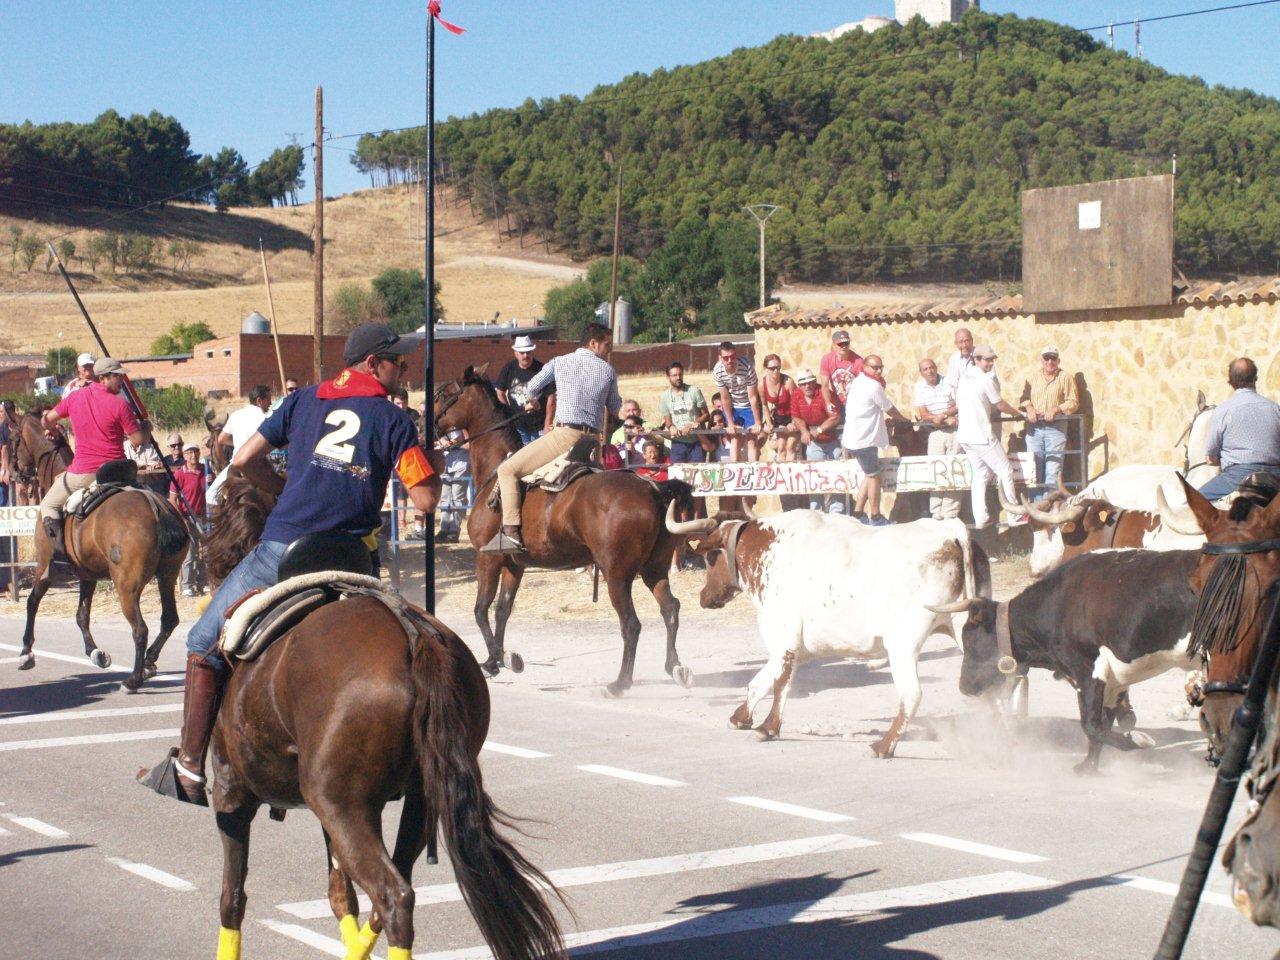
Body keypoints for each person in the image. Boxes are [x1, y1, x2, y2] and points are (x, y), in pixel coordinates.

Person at [140, 322, 441, 805]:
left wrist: (278, 490)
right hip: (354, 559)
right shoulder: (394, 420)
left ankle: (190, 766)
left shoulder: (302, 401)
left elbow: (242, 459)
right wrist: (431, 465)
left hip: (284, 551)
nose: (404, 367)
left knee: (202, 641)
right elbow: (425, 501)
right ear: (372, 365)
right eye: (397, 361)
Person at [487, 322, 621, 554]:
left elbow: (533, 387)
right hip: (592, 445)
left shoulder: (560, 362)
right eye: (607, 345)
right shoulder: (608, 371)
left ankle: (510, 533)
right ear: (593, 343)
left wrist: (534, 401)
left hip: (564, 437)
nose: (608, 350)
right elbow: (616, 406)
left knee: (507, 470)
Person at [38, 357, 149, 558]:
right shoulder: (120, 404)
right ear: (103, 378)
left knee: (48, 505)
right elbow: (138, 439)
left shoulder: (73, 398)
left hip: (84, 473)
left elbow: (46, 421)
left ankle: (60, 556)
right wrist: (146, 428)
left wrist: (52, 427)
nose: (121, 381)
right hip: (118, 472)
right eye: (117, 377)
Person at [956, 344, 1023, 529]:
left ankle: (981, 518)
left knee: (981, 474)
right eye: (987, 359)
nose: (990, 363)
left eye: (992, 359)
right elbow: (999, 404)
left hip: (965, 436)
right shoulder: (985, 379)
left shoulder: (964, 378)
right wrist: (1019, 414)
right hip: (981, 435)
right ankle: (1014, 515)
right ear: (976, 360)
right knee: (1005, 470)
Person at [1197, 357, 1280, 501]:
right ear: (1255, 379)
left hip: (1237, 477)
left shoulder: (1222, 411)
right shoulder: (1275, 409)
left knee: (1193, 503)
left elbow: (1211, 458)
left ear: (1230, 383)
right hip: (1275, 478)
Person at [842, 356, 906, 525]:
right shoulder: (873, 386)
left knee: (869, 473)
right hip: (864, 440)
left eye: (881, 367)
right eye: (875, 367)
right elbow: (889, 408)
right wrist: (903, 419)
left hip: (854, 438)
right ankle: (876, 516)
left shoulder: (858, 381)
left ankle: (858, 512)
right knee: (874, 476)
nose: (878, 371)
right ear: (865, 367)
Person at [1019, 346, 1079, 496]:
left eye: (1053, 358)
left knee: (1053, 472)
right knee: (1034, 471)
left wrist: (1056, 409)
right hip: (1035, 429)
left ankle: (1050, 512)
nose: (1050, 361)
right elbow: (1023, 399)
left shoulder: (1066, 377)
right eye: (1046, 358)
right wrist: (1030, 408)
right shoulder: (1032, 377)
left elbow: (1073, 401)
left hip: (1056, 429)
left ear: (1058, 360)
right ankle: (1038, 511)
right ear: (1041, 360)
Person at [790, 368, 844, 514]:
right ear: (799, 385)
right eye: (803, 383)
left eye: (809, 382)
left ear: (814, 382)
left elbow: (836, 416)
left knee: (836, 476)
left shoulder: (825, 394)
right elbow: (796, 416)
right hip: (814, 443)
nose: (807, 386)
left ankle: (836, 513)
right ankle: (816, 512)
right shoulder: (796, 395)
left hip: (833, 440)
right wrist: (804, 430)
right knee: (814, 477)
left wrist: (818, 430)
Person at [208, 385, 273, 503]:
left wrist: (240, 443)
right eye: (268, 399)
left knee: (210, 497)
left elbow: (222, 439)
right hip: (259, 466)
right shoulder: (267, 418)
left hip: (236, 464)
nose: (270, 403)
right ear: (259, 401)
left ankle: (209, 522)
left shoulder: (236, 415)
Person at [913, 357, 961, 520]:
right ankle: (936, 513)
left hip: (954, 430)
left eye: (931, 367)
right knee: (936, 470)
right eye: (925, 369)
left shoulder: (949, 382)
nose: (930, 371)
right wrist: (940, 418)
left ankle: (950, 513)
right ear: (921, 373)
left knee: (954, 471)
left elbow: (958, 404)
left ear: (936, 367)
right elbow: (923, 413)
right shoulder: (919, 387)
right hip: (935, 432)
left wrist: (945, 415)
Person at [496, 335, 555, 446]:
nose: (526, 355)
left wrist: (548, 424)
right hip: (518, 427)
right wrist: (508, 414)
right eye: (522, 353)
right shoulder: (509, 368)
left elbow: (551, 398)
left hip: (539, 426)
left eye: (528, 352)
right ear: (516, 353)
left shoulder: (542, 370)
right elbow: (500, 392)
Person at [712, 341, 763, 462]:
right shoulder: (717, 371)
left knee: (752, 439)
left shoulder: (747, 366)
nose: (730, 360)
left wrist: (757, 422)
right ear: (720, 358)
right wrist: (730, 423)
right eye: (726, 358)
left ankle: (753, 471)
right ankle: (735, 470)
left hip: (749, 404)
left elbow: (753, 397)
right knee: (735, 437)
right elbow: (725, 398)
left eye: (732, 356)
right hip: (733, 405)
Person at [169, 442, 208, 596]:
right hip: (186, 517)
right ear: (184, 455)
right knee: (190, 553)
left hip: (204, 516)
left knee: (206, 551)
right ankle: (187, 585)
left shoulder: (206, 471)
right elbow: (172, 499)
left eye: (196, 452)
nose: (193, 456)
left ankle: (204, 582)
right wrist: (181, 519)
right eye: (190, 453)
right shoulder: (179, 474)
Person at [659, 361, 711, 465]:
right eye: (674, 375)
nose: (678, 377)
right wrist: (671, 427)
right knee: (678, 474)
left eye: (680, 374)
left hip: (696, 441)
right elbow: (667, 420)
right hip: (678, 443)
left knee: (696, 474)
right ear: (668, 377)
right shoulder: (664, 397)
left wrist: (692, 424)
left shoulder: (694, 391)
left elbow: (706, 415)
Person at [433, 429, 470, 543]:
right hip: (445, 463)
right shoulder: (441, 425)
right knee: (445, 498)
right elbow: (433, 440)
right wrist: (441, 441)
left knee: (457, 497)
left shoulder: (461, 426)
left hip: (461, 462)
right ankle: (444, 529)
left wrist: (456, 443)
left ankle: (454, 530)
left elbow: (469, 443)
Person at [759, 353, 798, 461]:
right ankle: (781, 475)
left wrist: (794, 422)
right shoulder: (762, 385)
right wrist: (769, 422)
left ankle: (791, 474)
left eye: (778, 368)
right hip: (779, 417)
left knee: (790, 446)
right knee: (781, 448)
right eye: (772, 368)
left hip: (793, 415)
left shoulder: (788, 382)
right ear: (766, 369)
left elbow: (797, 403)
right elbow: (764, 405)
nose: (775, 371)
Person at [819, 329, 864, 411]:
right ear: (834, 345)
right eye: (840, 344)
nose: (844, 346)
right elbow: (825, 386)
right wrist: (828, 403)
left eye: (846, 343)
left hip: (855, 402)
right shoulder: (827, 360)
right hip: (837, 402)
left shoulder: (858, 361)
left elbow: (863, 386)